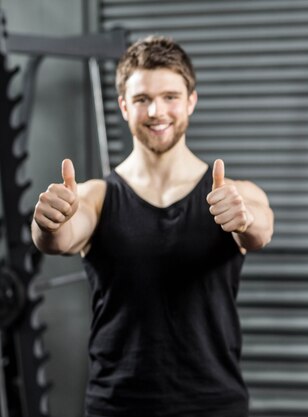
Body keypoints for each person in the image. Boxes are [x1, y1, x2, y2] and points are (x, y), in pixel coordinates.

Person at [31, 35, 274, 417]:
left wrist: (244, 219)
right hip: (117, 405)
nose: (157, 111)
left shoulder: (233, 193)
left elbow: (261, 228)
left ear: (191, 101)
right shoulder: (95, 196)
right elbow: (60, 238)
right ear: (124, 106)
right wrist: (48, 223)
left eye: (170, 97)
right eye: (142, 99)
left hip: (213, 404)